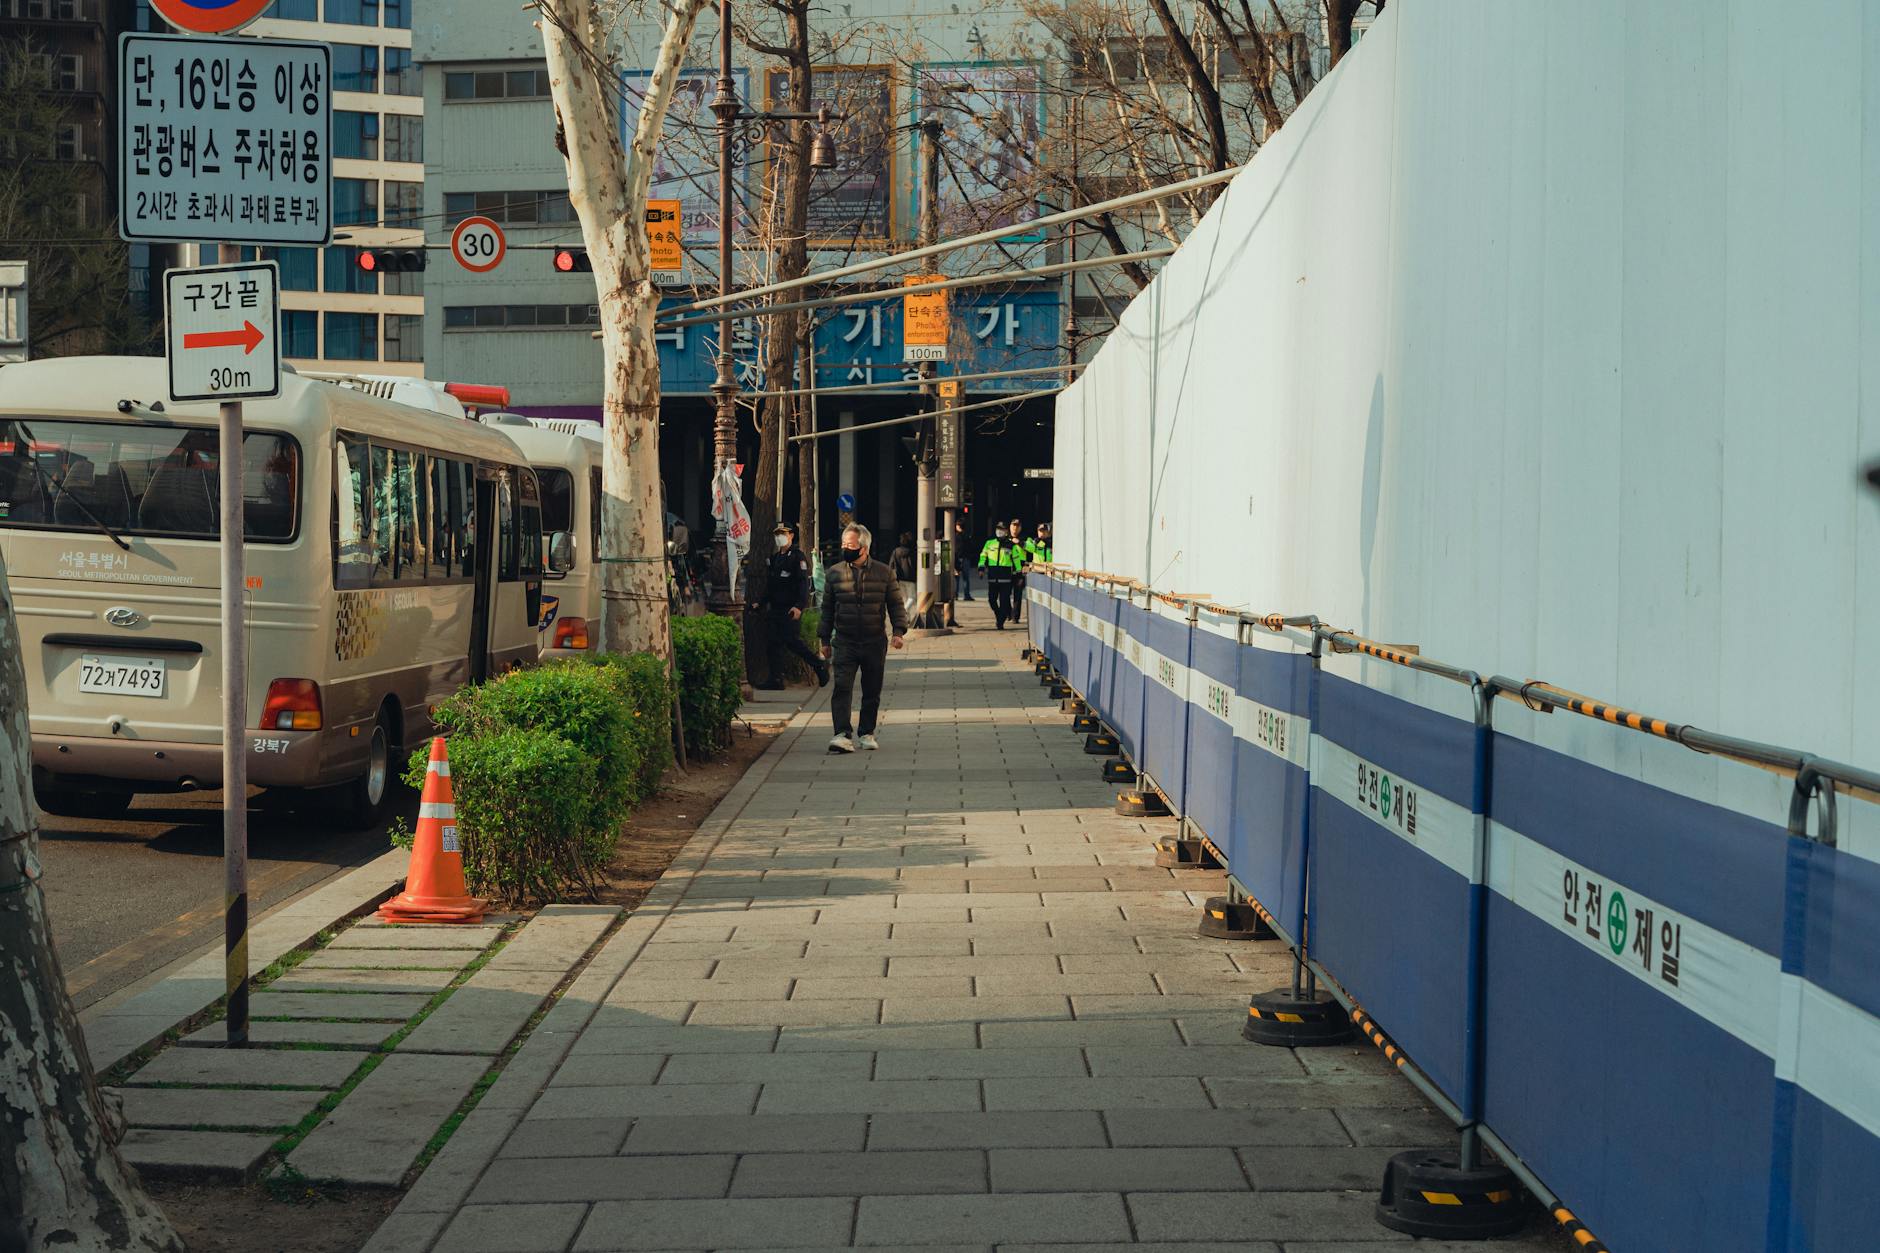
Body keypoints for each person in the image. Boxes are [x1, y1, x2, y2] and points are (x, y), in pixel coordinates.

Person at [818, 523, 908, 752]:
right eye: (843, 544)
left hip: (874, 640)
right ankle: (841, 734)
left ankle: (866, 733)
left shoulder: (884, 573)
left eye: (850, 545)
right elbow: (827, 609)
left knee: (872, 690)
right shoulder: (834, 573)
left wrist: (898, 632)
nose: (845, 548)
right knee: (842, 687)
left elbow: (896, 604)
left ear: (864, 548)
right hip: (845, 641)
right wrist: (824, 640)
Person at [760, 522, 827, 689]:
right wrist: (759, 603)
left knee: (792, 642)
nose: (780, 537)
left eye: (783, 533)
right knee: (773, 644)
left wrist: (799, 606)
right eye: (777, 534)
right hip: (775, 608)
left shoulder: (797, 557)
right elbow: (771, 587)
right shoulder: (775, 559)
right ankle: (775, 680)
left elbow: (803, 585)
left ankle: (818, 664)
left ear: (791, 535)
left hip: (790, 609)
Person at [978, 521, 1020, 629]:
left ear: (1006, 532)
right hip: (992, 577)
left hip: (1006, 578)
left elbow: (1016, 561)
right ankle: (999, 615)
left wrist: (1019, 574)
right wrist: (981, 568)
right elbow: (983, 556)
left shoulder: (1011, 546)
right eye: (998, 529)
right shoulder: (989, 543)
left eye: (1002, 529)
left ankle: (1000, 622)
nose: (999, 531)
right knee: (991, 600)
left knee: (1004, 601)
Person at [1007, 517, 1027, 625]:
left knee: (1017, 595)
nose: (1015, 528)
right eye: (1013, 526)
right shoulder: (1005, 539)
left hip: (1019, 571)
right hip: (1007, 570)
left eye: (1017, 526)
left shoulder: (1024, 539)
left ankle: (1015, 616)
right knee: (1004, 594)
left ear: (1020, 528)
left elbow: (1031, 548)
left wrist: (1019, 542)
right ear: (1010, 527)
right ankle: (1009, 613)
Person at [953, 522, 974, 600]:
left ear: (958, 526)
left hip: (959, 557)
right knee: (966, 577)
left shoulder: (956, 536)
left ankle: (955, 594)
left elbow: (957, 549)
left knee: (956, 577)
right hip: (966, 558)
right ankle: (966, 594)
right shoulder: (967, 536)